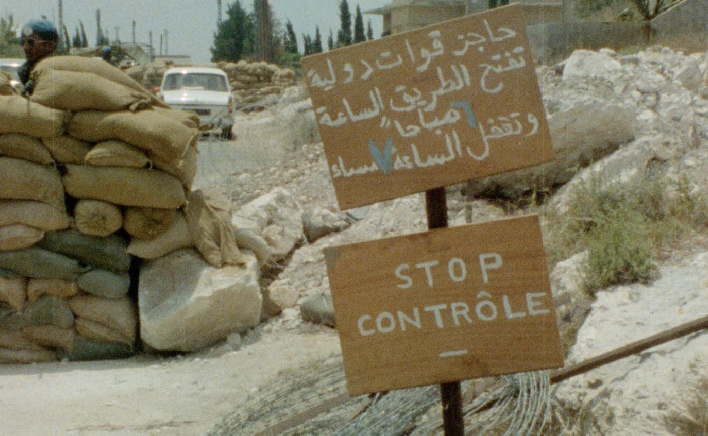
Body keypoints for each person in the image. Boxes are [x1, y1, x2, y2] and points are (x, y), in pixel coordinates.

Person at [17, 19, 58, 96]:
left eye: (31, 42)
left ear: (49, 45)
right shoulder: (23, 73)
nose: (25, 48)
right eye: (23, 42)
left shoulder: (59, 72)